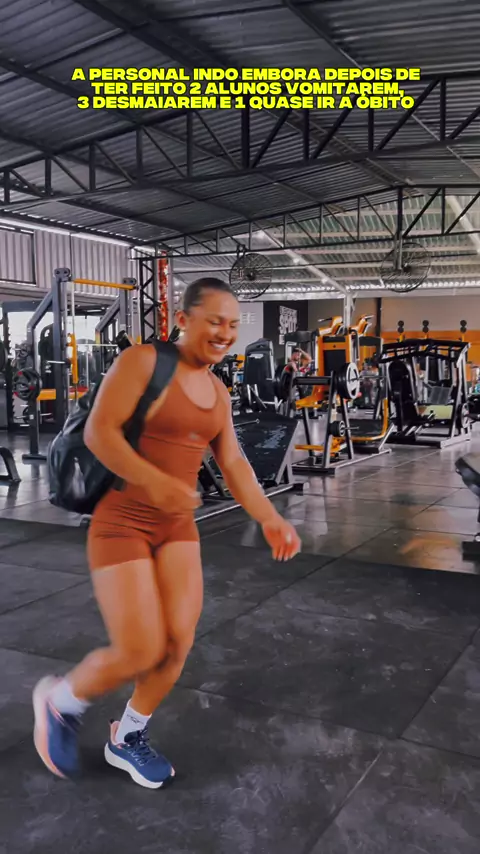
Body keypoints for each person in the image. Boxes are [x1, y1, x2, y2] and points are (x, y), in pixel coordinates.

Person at [32, 277, 301, 789]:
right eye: (215, 321)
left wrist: (270, 517)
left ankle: (127, 736)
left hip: (176, 527)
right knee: (140, 649)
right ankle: (60, 703)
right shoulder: (142, 362)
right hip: (122, 522)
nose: (225, 333)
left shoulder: (218, 392)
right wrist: (156, 481)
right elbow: (99, 432)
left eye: (233, 324)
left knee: (176, 643)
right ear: (183, 319)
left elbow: (234, 463)